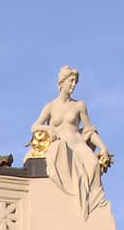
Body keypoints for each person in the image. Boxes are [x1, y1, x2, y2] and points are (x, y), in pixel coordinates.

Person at [31, 66, 112, 219]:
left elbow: (89, 130)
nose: (74, 85)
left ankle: (92, 205)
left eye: (75, 82)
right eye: (71, 81)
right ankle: (71, 200)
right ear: (61, 83)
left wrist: (102, 147)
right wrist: (49, 130)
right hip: (61, 144)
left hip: (78, 144)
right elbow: (34, 126)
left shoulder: (79, 105)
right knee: (58, 153)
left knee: (93, 164)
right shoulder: (50, 106)